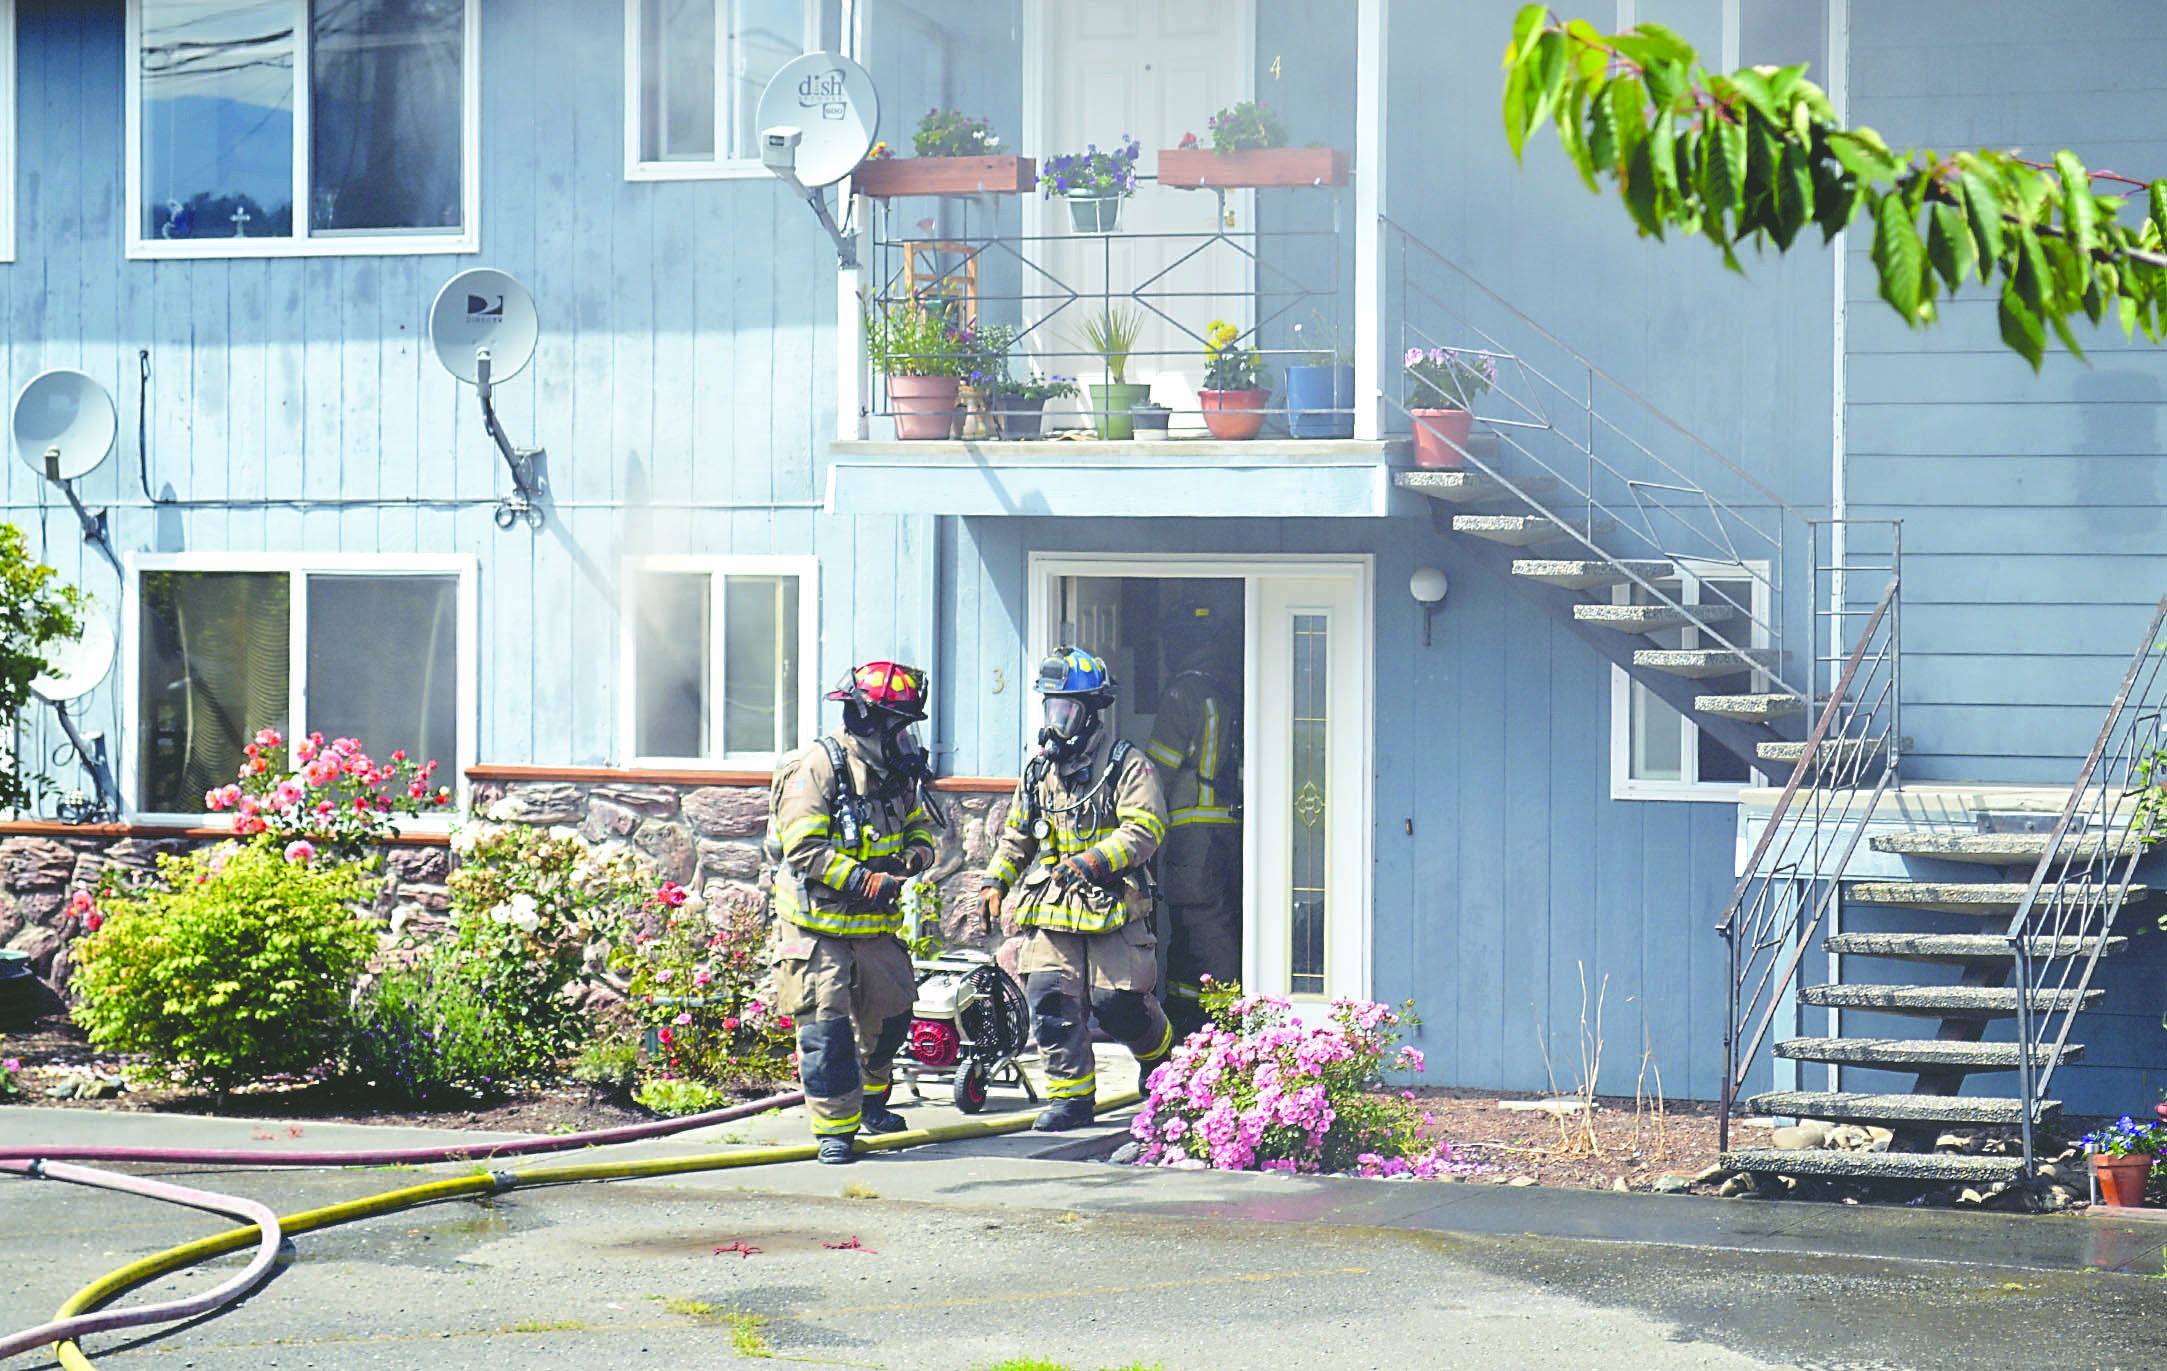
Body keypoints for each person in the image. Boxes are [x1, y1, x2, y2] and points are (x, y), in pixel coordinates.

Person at [978, 647, 1175, 1131]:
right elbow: (1017, 836)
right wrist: (994, 881)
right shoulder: (1038, 773)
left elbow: (1146, 827)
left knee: (1118, 1006)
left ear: (1089, 714)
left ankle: (1161, 1057)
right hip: (1053, 908)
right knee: (1050, 999)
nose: (1056, 722)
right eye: (1052, 710)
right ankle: (1070, 1100)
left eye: (1067, 711)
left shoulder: (1128, 765)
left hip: (1111, 906)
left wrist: (1092, 861)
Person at [768, 660, 941, 1164]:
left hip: (873, 927)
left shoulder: (893, 773)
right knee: (827, 1031)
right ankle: (835, 1130)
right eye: (897, 724)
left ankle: (870, 1102)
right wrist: (866, 880)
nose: (905, 736)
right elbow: (803, 848)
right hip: (815, 926)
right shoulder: (817, 767)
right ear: (868, 720)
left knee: (891, 1017)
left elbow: (920, 827)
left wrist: (917, 855)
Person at [1145, 598, 1243, 1039]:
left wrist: (1136, 831)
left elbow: (1153, 774)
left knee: (1200, 927)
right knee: (1208, 925)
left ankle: (1212, 1022)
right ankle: (1188, 1016)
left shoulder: (1185, 691)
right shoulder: (1234, 685)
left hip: (1192, 833)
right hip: (1233, 827)